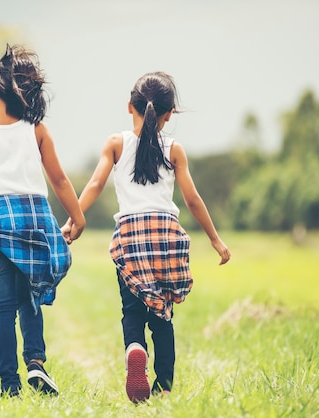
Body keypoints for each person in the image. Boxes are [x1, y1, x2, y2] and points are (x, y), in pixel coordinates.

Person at [61, 71, 230, 403]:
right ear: (169, 114)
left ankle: (135, 348)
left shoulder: (115, 143)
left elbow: (94, 185)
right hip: (165, 235)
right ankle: (164, 385)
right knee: (163, 314)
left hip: (131, 234)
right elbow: (192, 199)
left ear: (130, 107)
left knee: (132, 309)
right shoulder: (175, 149)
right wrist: (214, 239)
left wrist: (74, 221)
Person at [0, 44, 85, 398]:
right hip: (35, 221)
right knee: (30, 296)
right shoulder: (36, 129)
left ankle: (9, 384)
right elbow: (58, 180)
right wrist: (77, 216)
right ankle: (36, 364)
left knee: (1, 308)